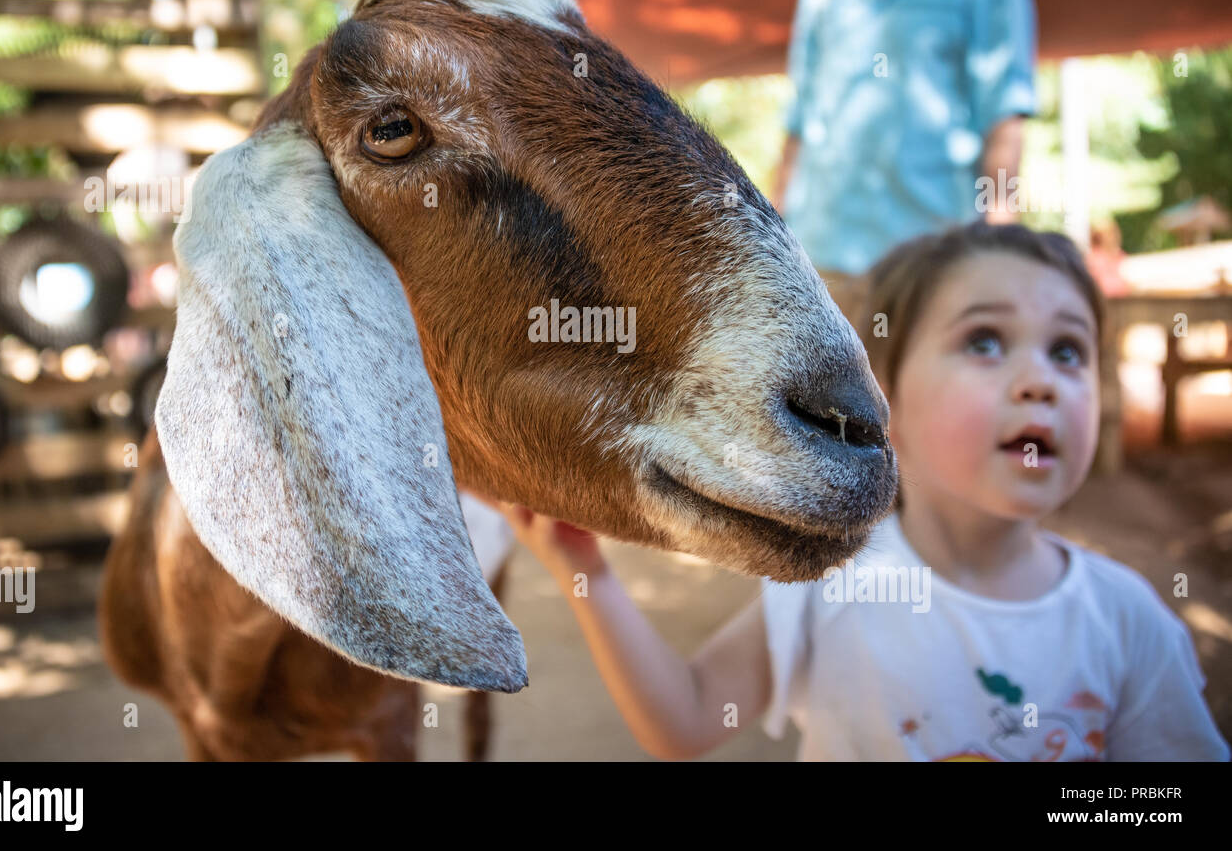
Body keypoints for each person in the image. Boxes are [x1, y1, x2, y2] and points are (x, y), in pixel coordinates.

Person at [501, 222, 1230, 761]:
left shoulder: (1128, 620)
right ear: (884, 400)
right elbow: (687, 720)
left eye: (1068, 350)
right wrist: (585, 571)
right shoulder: (831, 581)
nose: (1040, 378)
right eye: (984, 340)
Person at [771, 0, 1037, 318]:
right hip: (819, 266)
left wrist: (1000, 253)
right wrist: (774, 242)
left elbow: (1004, 119)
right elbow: (799, 123)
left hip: (934, 266)